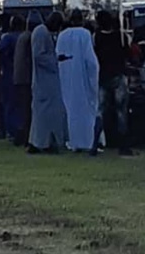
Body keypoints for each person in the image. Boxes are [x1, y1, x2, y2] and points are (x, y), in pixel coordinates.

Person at [56, 8, 98, 152]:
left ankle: (71, 140)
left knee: (69, 109)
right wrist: (94, 76)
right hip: (83, 78)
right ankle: (87, 140)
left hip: (65, 78)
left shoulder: (62, 36)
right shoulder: (85, 34)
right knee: (85, 109)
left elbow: (58, 57)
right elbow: (90, 60)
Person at [94, 10, 133, 155]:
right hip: (118, 76)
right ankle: (123, 145)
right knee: (121, 112)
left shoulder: (96, 37)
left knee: (100, 111)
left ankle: (95, 143)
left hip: (102, 76)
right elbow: (128, 54)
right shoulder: (121, 36)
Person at [28, 11, 67, 153]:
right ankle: (41, 143)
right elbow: (39, 56)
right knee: (43, 114)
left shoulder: (42, 32)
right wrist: (54, 61)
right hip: (43, 81)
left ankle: (45, 141)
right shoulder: (41, 33)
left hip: (47, 81)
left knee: (47, 113)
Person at [13, 12, 40, 147]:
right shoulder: (30, 37)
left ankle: (20, 136)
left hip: (19, 77)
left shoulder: (22, 36)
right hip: (26, 78)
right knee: (28, 109)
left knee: (22, 108)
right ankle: (26, 138)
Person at [0, 16, 25, 144]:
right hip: (25, 76)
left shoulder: (7, 38)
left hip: (9, 75)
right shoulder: (26, 36)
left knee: (10, 104)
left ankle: (12, 131)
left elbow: (0, 54)